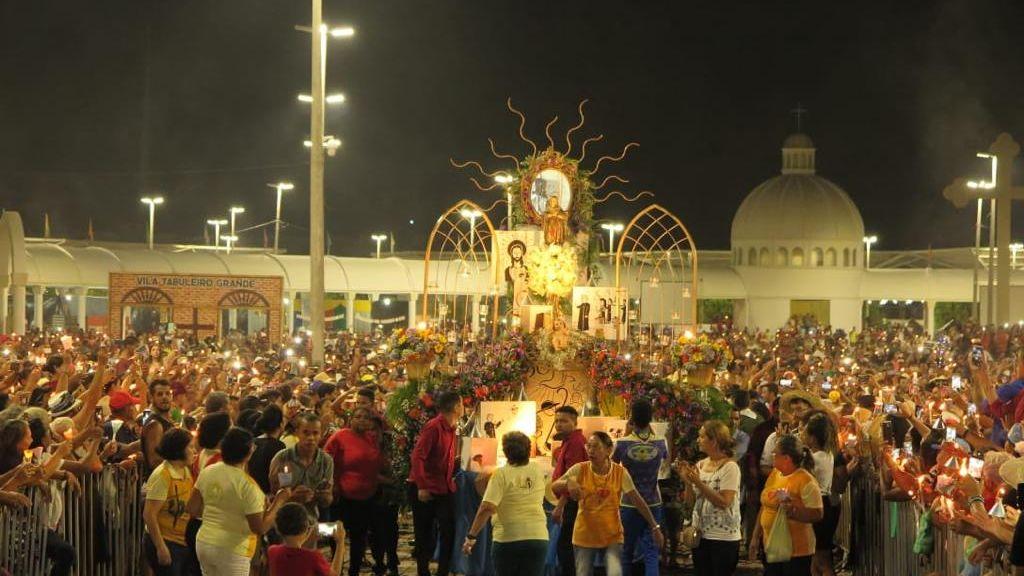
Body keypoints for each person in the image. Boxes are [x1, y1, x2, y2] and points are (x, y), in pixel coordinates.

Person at [551, 431, 665, 576]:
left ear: (609, 450)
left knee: (615, 572)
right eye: (589, 447)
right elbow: (555, 486)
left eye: (596, 447)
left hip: (612, 535)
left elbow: (637, 500)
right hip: (584, 535)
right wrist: (568, 482)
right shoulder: (580, 469)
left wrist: (654, 526)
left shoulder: (620, 472)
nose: (591, 451)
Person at [187, 427, 291, 576]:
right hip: (232, 550)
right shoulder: (248, 486)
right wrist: (279, 501)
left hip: (204, 543)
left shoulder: (209, 471)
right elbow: (260, 528)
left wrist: (219, 511)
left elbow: (192, 508)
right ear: (249, 453)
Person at [462, 431, 549, 576]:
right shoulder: (538, 470)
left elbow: (487, 507)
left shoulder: (501, 475)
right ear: (529, 449)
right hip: (538, 538)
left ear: (505, 451)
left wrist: (471, 536)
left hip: (508, 538)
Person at [749, 434, 823, 576]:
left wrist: (792, 511)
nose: (772, 457)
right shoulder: (775, 474)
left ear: (786, 458)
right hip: (772, 546)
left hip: (796, 551)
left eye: (775, 454)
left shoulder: (806, 480)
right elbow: (765, 506)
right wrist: (755, 536)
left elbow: (817, 514)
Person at [324, 406, 385, 576]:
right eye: (357, 416)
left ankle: (354, 571)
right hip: (341, 496)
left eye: (365, 418)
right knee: (335, 534)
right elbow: (326, 460)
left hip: (366, 496)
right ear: (351, 419)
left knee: (359, 537)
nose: (361, 420)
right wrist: (333, 484)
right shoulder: (340, 436)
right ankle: (337, 569)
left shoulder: (373, 438)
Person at [408, 391, 463, 576]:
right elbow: (418, 456)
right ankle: (423, 572)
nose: (462, 407)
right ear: (456, 407)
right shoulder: (434, 427)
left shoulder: (452, 427)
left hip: (443, 487)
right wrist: (422, 486)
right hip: (426, 487)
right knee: (424, 535)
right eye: (461, 404)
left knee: (449, 531)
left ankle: (443, 571)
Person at [612, 398, 669, 576]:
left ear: (631, 418)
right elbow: (666, 459)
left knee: (626, 551)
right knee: (651, 552)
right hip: (653, 501)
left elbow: (613, 465)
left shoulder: (622, 443)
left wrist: (629, 431)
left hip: (629, 502)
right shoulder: (661, 442)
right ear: (651, 418)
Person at [679, 420, 741, 576]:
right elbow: (690, 503)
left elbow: (724, 501)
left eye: (702, 437)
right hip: (700, 535)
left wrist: (698, 483)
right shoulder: (700, 465)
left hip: (723, 538)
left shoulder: (730, 467)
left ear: (714, 441)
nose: (698, 440)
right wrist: (687, 483)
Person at [142, 428, 198, 576]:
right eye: (190, 447)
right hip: (166, 541)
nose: (194, 451)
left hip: (182, 541)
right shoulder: (163, 475)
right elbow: (149, 514)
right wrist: (160, 547)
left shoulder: (185, 471)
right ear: (179, 449)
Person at [269, 412, 334, 524]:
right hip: (283, 520)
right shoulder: (283, 458)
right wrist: (293, 497)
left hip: (311, 521)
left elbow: (328, 500)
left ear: (321, 435)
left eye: (315, 433)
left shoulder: (326, 461)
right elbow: (274, 495)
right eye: (305, 433)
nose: (311, 438)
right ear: (296, 433)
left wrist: (324, 497)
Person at [552, 405, 588, 576]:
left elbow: (572, 480)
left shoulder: (575, 442)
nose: (559, 425)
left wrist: (560, 507)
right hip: (572, 502)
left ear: (574, 422)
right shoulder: (570, 440)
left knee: (566, 548)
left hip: (573, 503)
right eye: (557, 421)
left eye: (564, 421)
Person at [801, 411, 839, 576]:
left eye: (805, 433)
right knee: (816, 556)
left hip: (820, 503)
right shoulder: (828, 454)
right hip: (827, 504)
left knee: (822, 557)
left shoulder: (816, 458)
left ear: (813, 437)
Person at [267, 502, 345, 576]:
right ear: (306, 526)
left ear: (277, 528)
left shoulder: (272, 551)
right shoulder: (313, 557)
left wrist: (311, 537)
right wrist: (340, 543)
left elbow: (294, 553)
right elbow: (334, 574)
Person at [141, 379, 175, 478]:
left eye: (167, 393)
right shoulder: (155, 424)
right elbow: (154, 461)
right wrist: (181, 462)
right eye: (160, 394)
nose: (165, 397)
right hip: (160, 482)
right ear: (151, 398)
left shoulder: (166, 420)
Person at [249, 404, 286, 494]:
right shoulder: (279, 446)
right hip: (269, 496)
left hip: (252, 491)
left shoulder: (253, 442)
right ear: (281, 424)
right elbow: (284, 476)